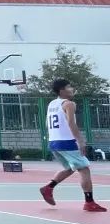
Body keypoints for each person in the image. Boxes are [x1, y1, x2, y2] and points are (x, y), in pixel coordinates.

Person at [39, 79, 106, 212]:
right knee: (84, 169)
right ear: (62, 90)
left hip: (53, 142)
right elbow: (71, 123)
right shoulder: (69, 104)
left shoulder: (52, 104)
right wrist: (80, 141)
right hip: (66, 142)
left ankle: (48, 188)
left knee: (70, 168)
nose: (72, 89)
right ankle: (89, 202)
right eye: (69, 87)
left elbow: (47, 124)